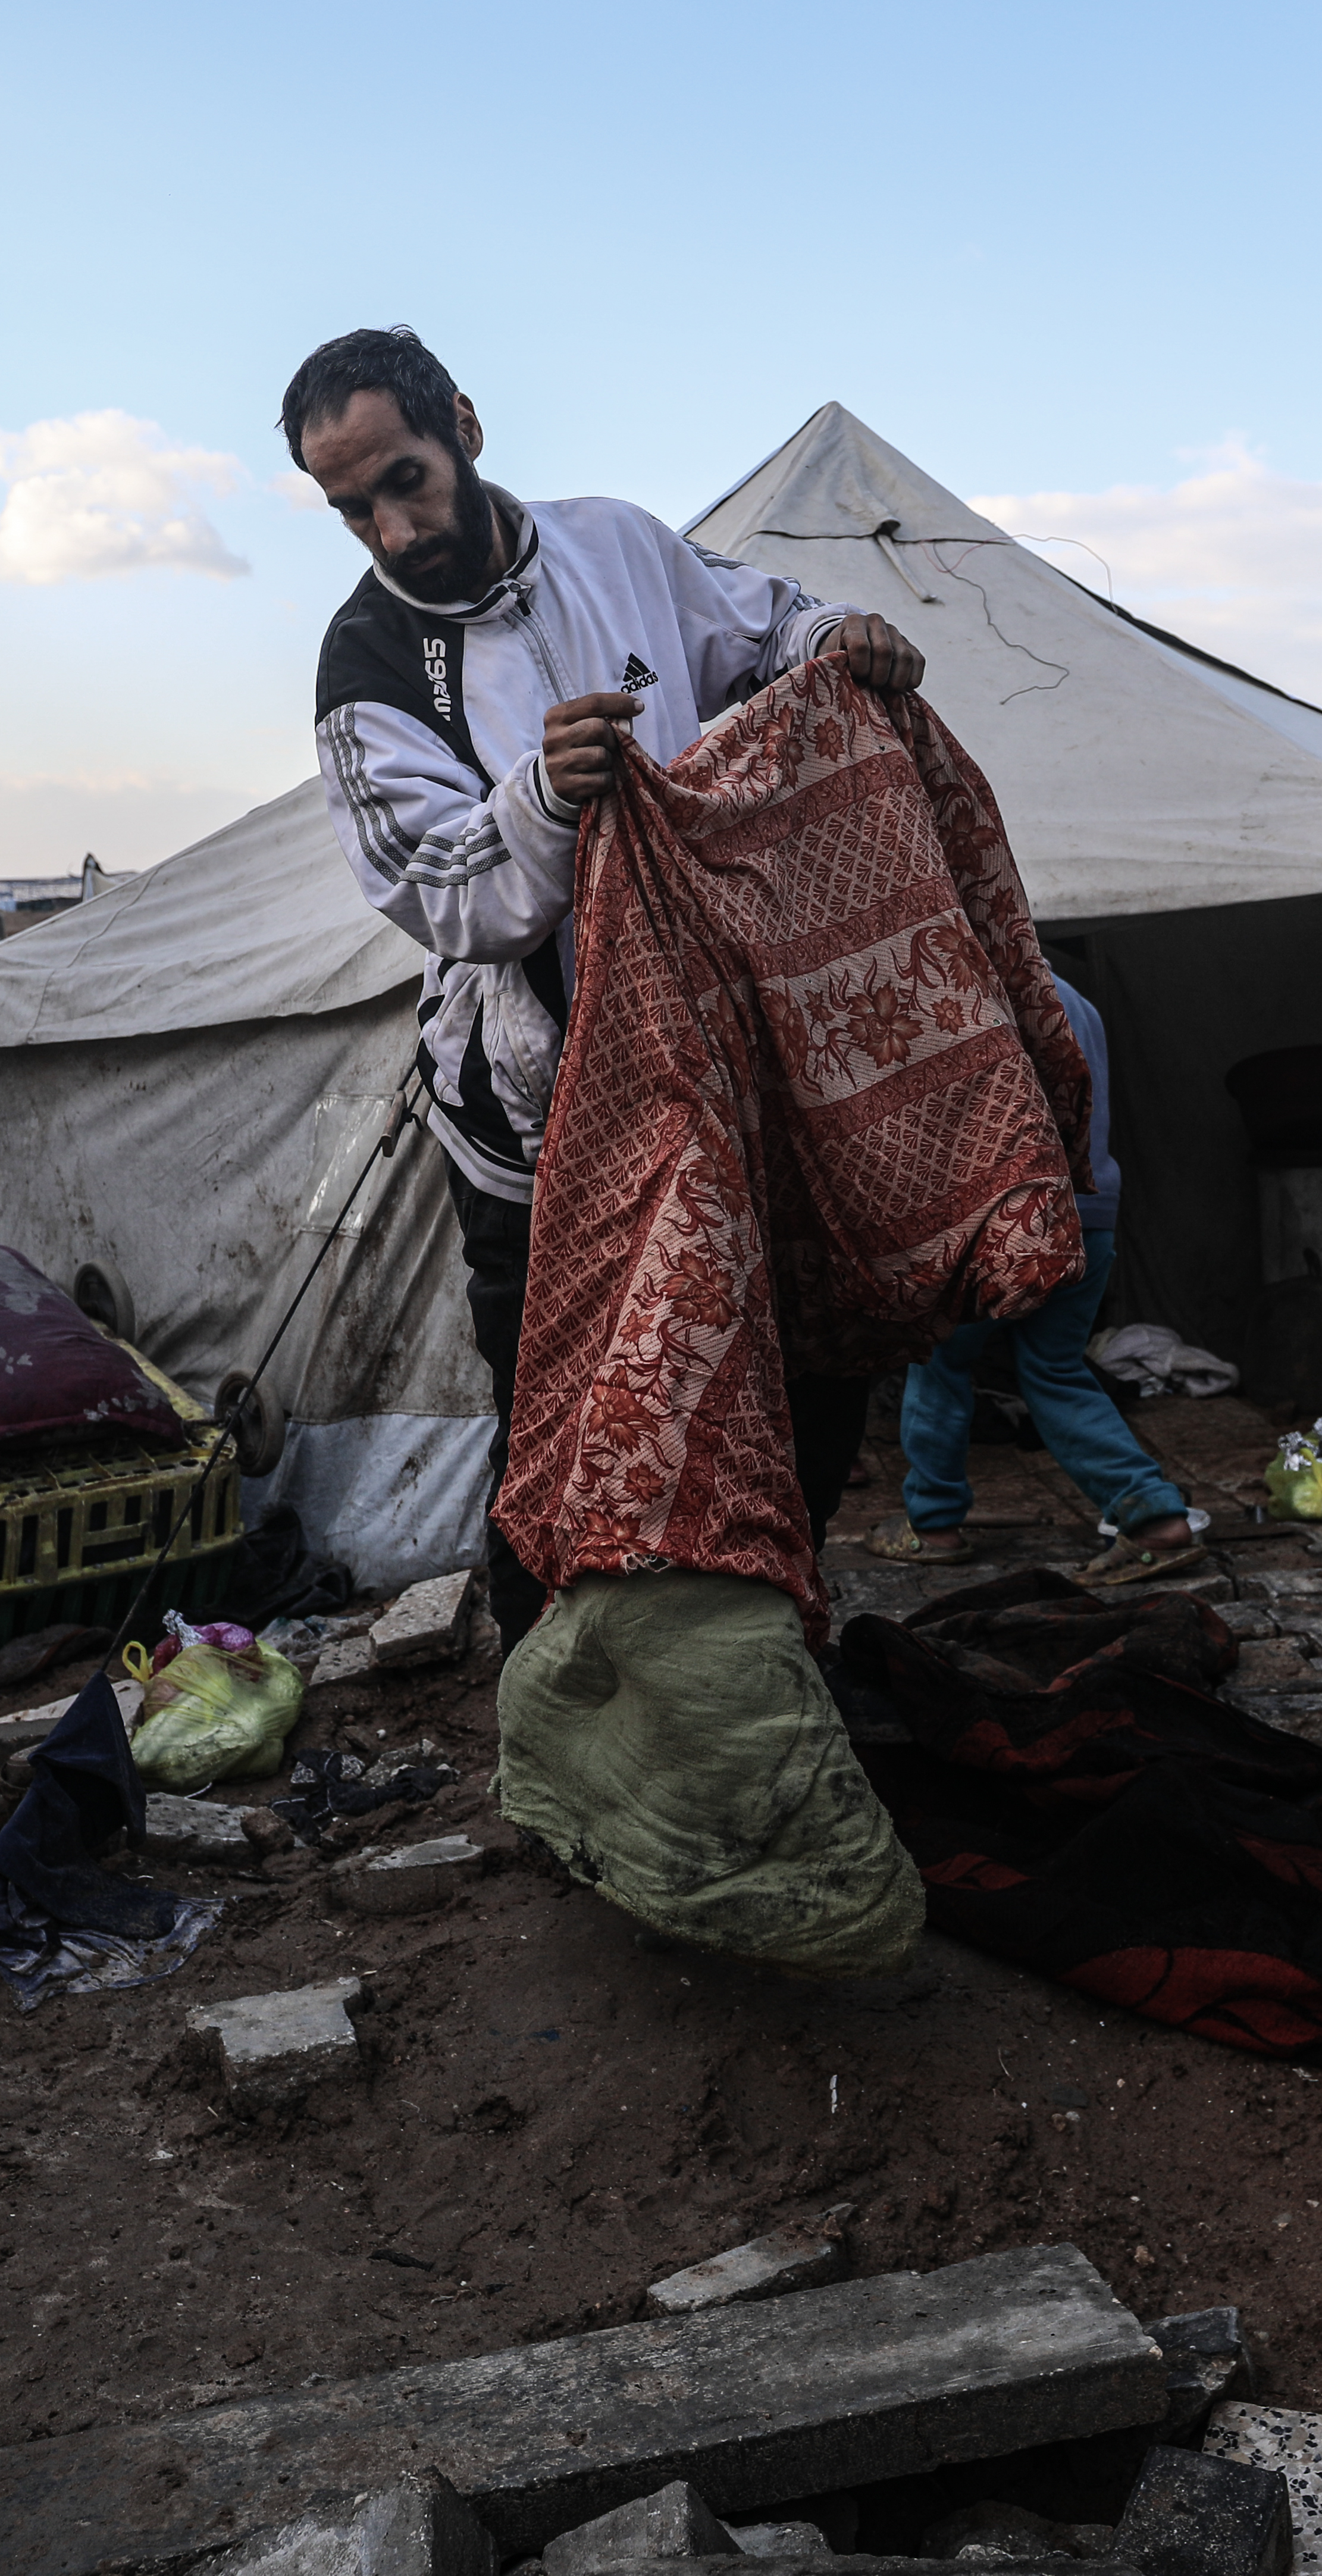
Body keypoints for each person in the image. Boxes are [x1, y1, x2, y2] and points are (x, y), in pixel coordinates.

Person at [280, 327, 929, 1649]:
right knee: (567, 1405)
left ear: (461, 419)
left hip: (730, 1060)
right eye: (354, 510)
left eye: (406, 480)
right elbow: (438, 888)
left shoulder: (619, 546)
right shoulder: (366, 672)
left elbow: (763, 626)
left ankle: (763, 1653)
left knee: (800, 1361)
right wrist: (539, 796)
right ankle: (556, 1701)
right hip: (540, 1112)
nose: (394, 531)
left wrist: (837, 634)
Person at [869, 974, 1205, 1585]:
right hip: (1091, 1215)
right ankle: (1154, 1516)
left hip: (1011, 1215)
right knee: (1053, 1368)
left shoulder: (972, 992)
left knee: (940, 1361)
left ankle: (932, 1525)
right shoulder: (1076, 999)